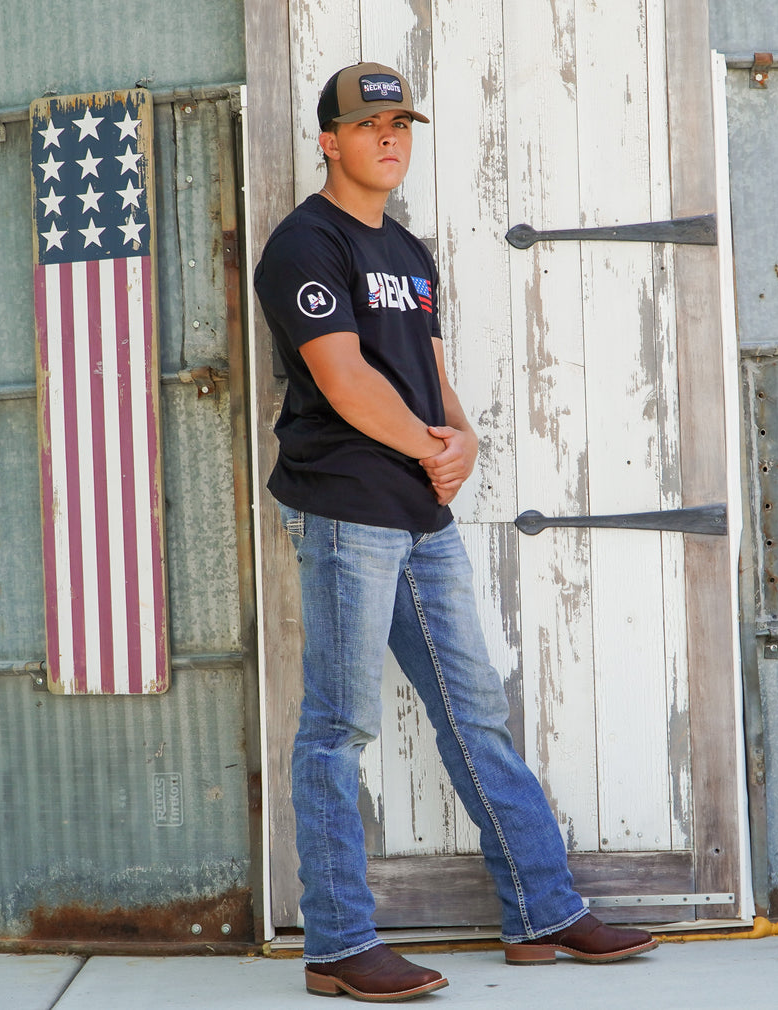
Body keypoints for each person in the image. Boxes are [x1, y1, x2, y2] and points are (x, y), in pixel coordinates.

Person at [254, 61, 658, 1003]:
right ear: (330, 139)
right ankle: (340, 944)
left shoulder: (408, 249)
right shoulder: (303, 244)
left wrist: (463, 438)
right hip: (348, 510)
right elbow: (345, 380)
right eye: (369, 125)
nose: (389, 138)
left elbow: (428, 372)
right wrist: (432, 451)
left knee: (474, 712)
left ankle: (543, 912)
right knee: (336, 728)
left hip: (420, 516)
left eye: (401, 123)